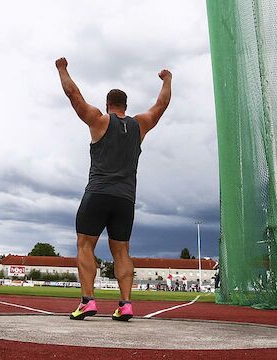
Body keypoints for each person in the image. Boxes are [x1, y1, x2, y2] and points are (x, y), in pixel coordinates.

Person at [56, 57, 172, 321]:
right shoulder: (140, 124)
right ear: (126, 106)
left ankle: (87, 301)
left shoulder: (99, 120)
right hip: (125, 199)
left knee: (85, 245)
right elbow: (162, 104)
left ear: (108, 105)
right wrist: (167, 79)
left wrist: (62, 69)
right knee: (121, 251)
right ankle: (126, 304)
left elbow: (73, 95)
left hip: (97, 193)